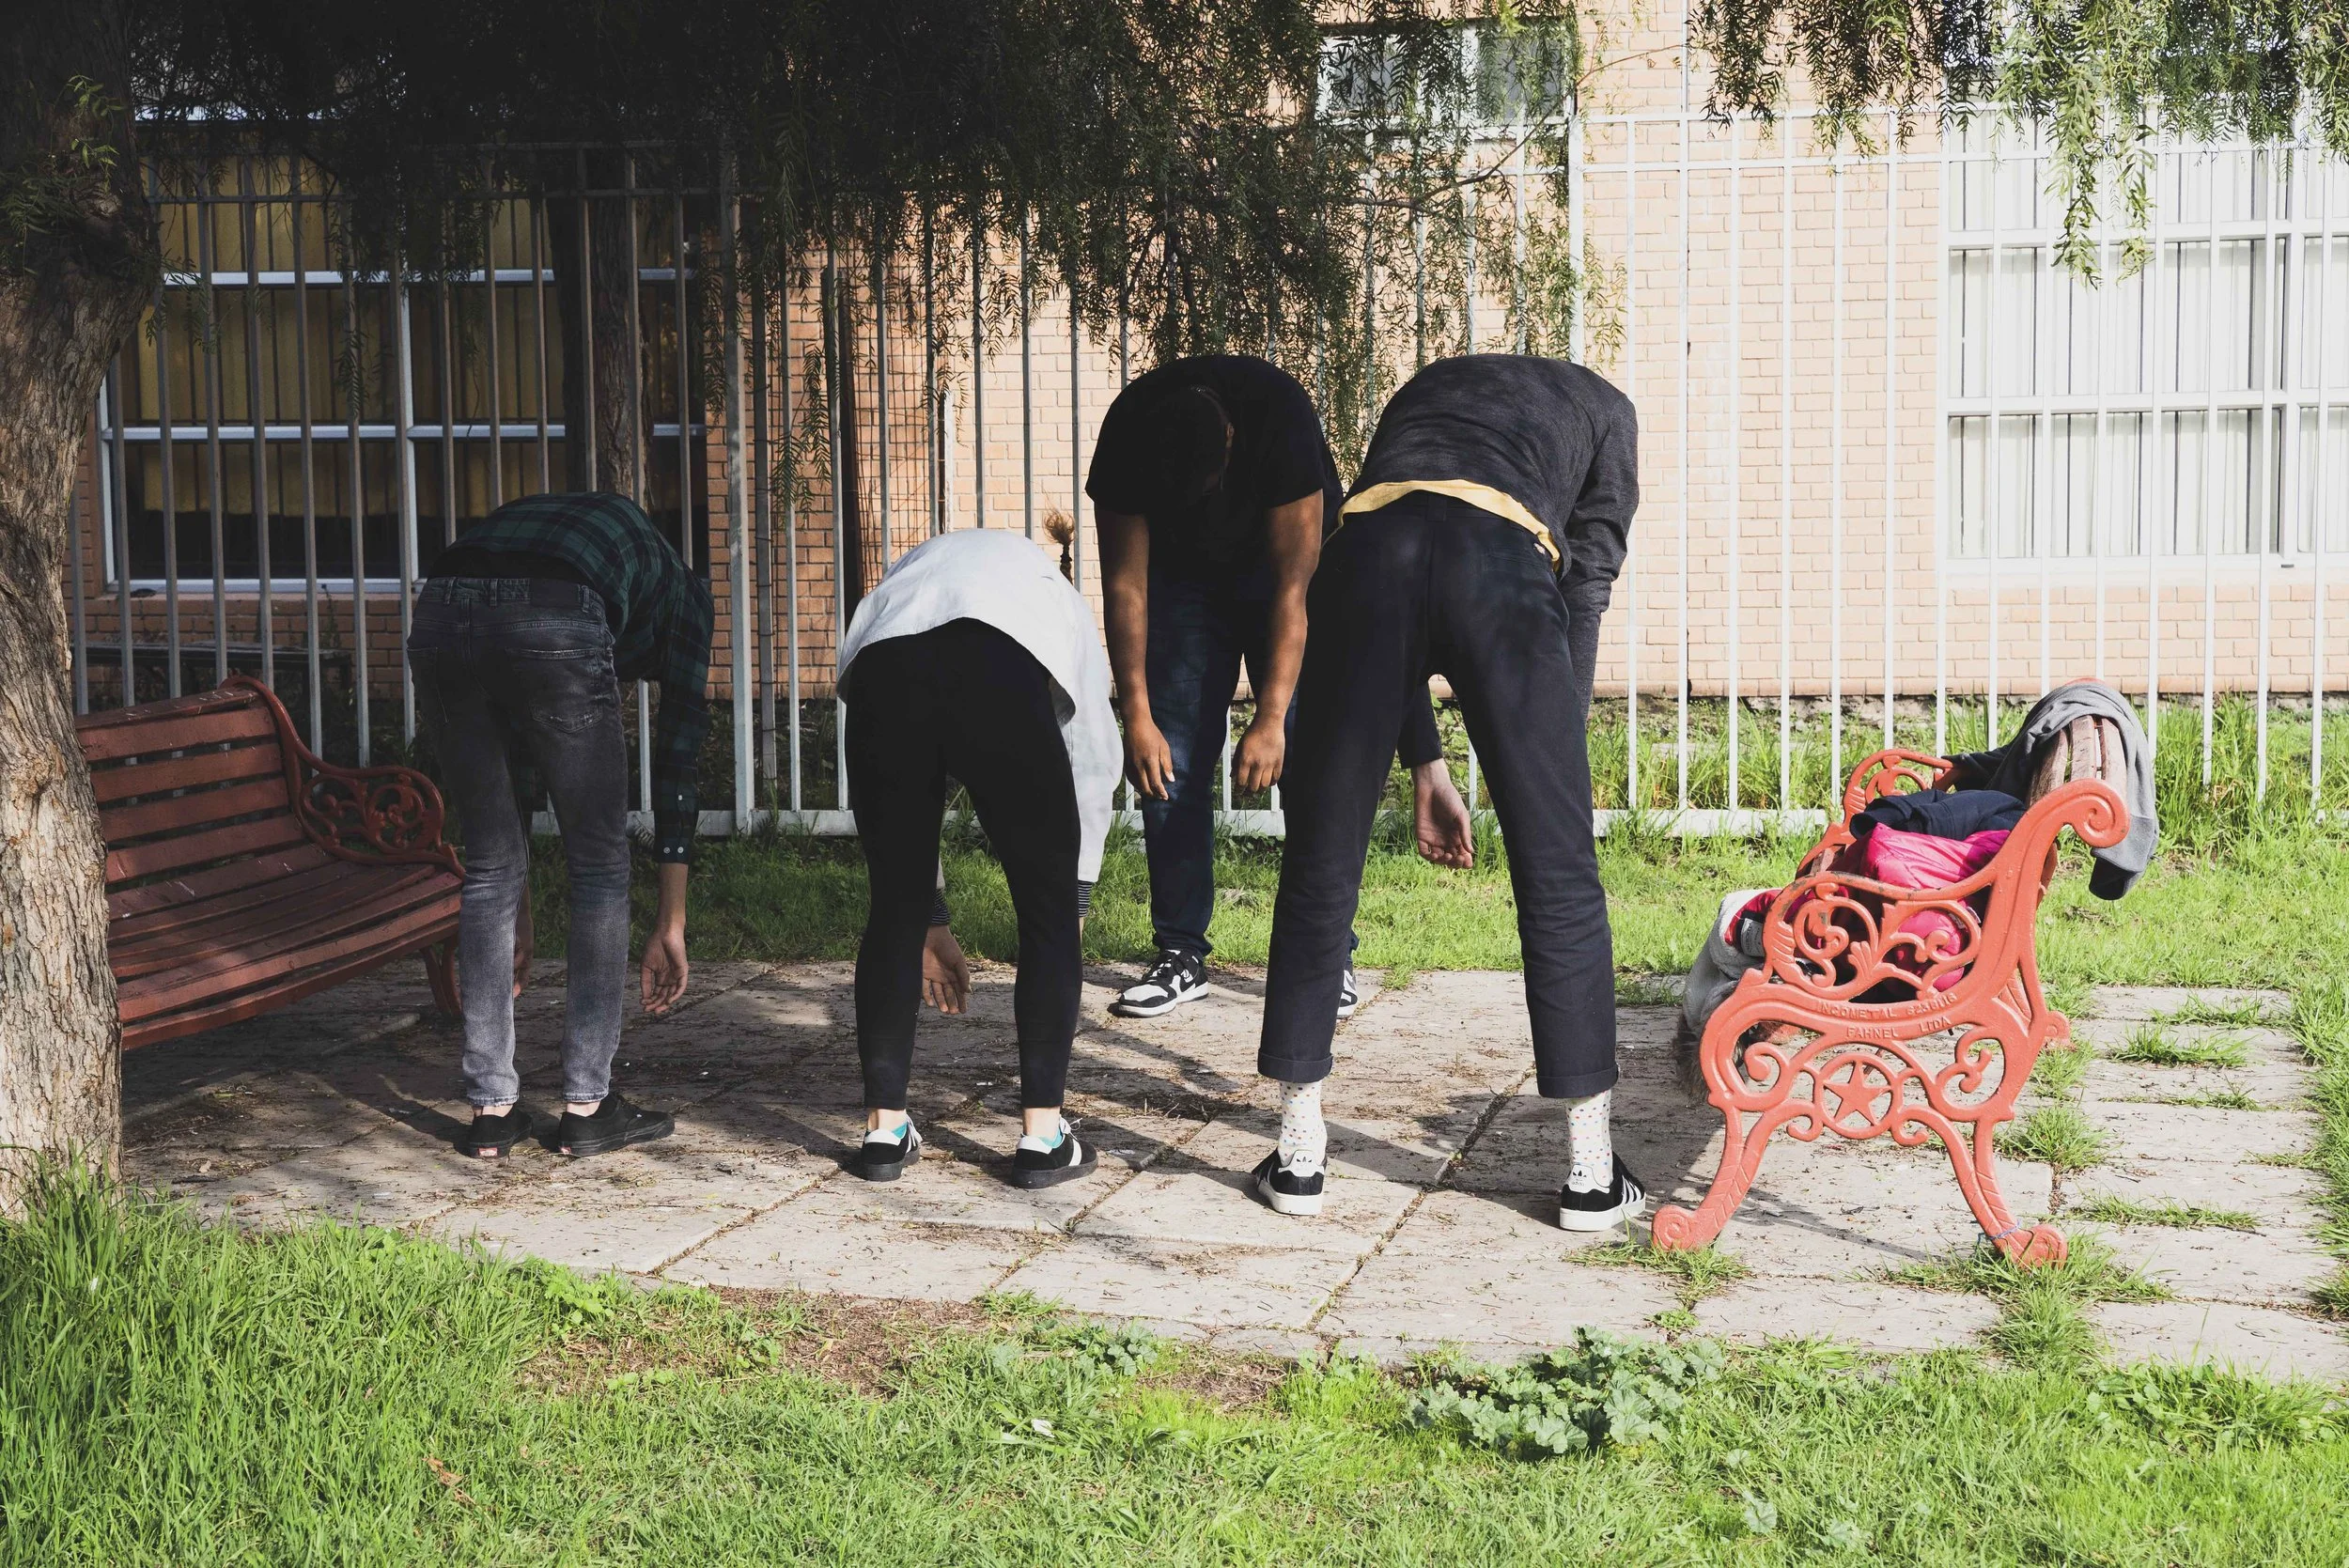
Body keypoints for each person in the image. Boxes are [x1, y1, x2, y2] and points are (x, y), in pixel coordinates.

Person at [1252, 355, 1643, 1231]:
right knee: (1560, 876)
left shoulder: (1433, 383)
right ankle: (1590, 1174)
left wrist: (1426, 764)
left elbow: (1407, 559)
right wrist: (1552, 752)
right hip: (1497, 567)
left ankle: (1298, 1156)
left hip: (1365, 561)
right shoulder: (1610, 412)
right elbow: (1585, 585)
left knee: (1321, 861)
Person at [1088, 354, 1442, 1020]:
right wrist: (1136, 713)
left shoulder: (1280, 420)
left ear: (1229, 441)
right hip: (1183, 587)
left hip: (1283, 580)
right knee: (1169, 760)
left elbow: (1293, 589)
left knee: (1313, 765)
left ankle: (1327, 953)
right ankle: (1180, 953)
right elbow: (1126, 586)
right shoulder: (1129, 432)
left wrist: (1271, 717)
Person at [407, 490, 707, 1161]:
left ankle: (491, 1112)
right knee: (599, 865)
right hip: (556, 610)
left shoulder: (596, 543)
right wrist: (671, 921)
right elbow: (679, 759)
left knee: (489, 865)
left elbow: (522, 736)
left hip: (441, 608)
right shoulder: (687, 599)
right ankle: (588, 1107)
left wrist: (518, 906)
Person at [836, 526, 1121, 1188]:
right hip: (998, 664)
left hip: (882, 672)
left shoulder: (907, 580)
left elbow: (883, 781)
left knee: (893, 908)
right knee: (1047, 917)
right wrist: (1072, 901)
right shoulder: (1053, 594)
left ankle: (883, 1132)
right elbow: (1090, 750)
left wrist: (928, 914)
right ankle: (1043, 1140)